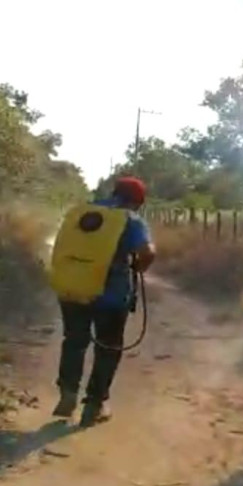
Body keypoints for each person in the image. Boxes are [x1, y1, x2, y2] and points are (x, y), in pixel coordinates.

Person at [49, 176, 156, 427]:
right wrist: (139, 267)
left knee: (74, 340)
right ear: (137, 202)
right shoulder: (130, 220)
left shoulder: (80, 212)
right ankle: (95, 404)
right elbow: (148, 253)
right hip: (111, 297)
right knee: (108, 348)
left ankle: (68, 392)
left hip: (72, 289)